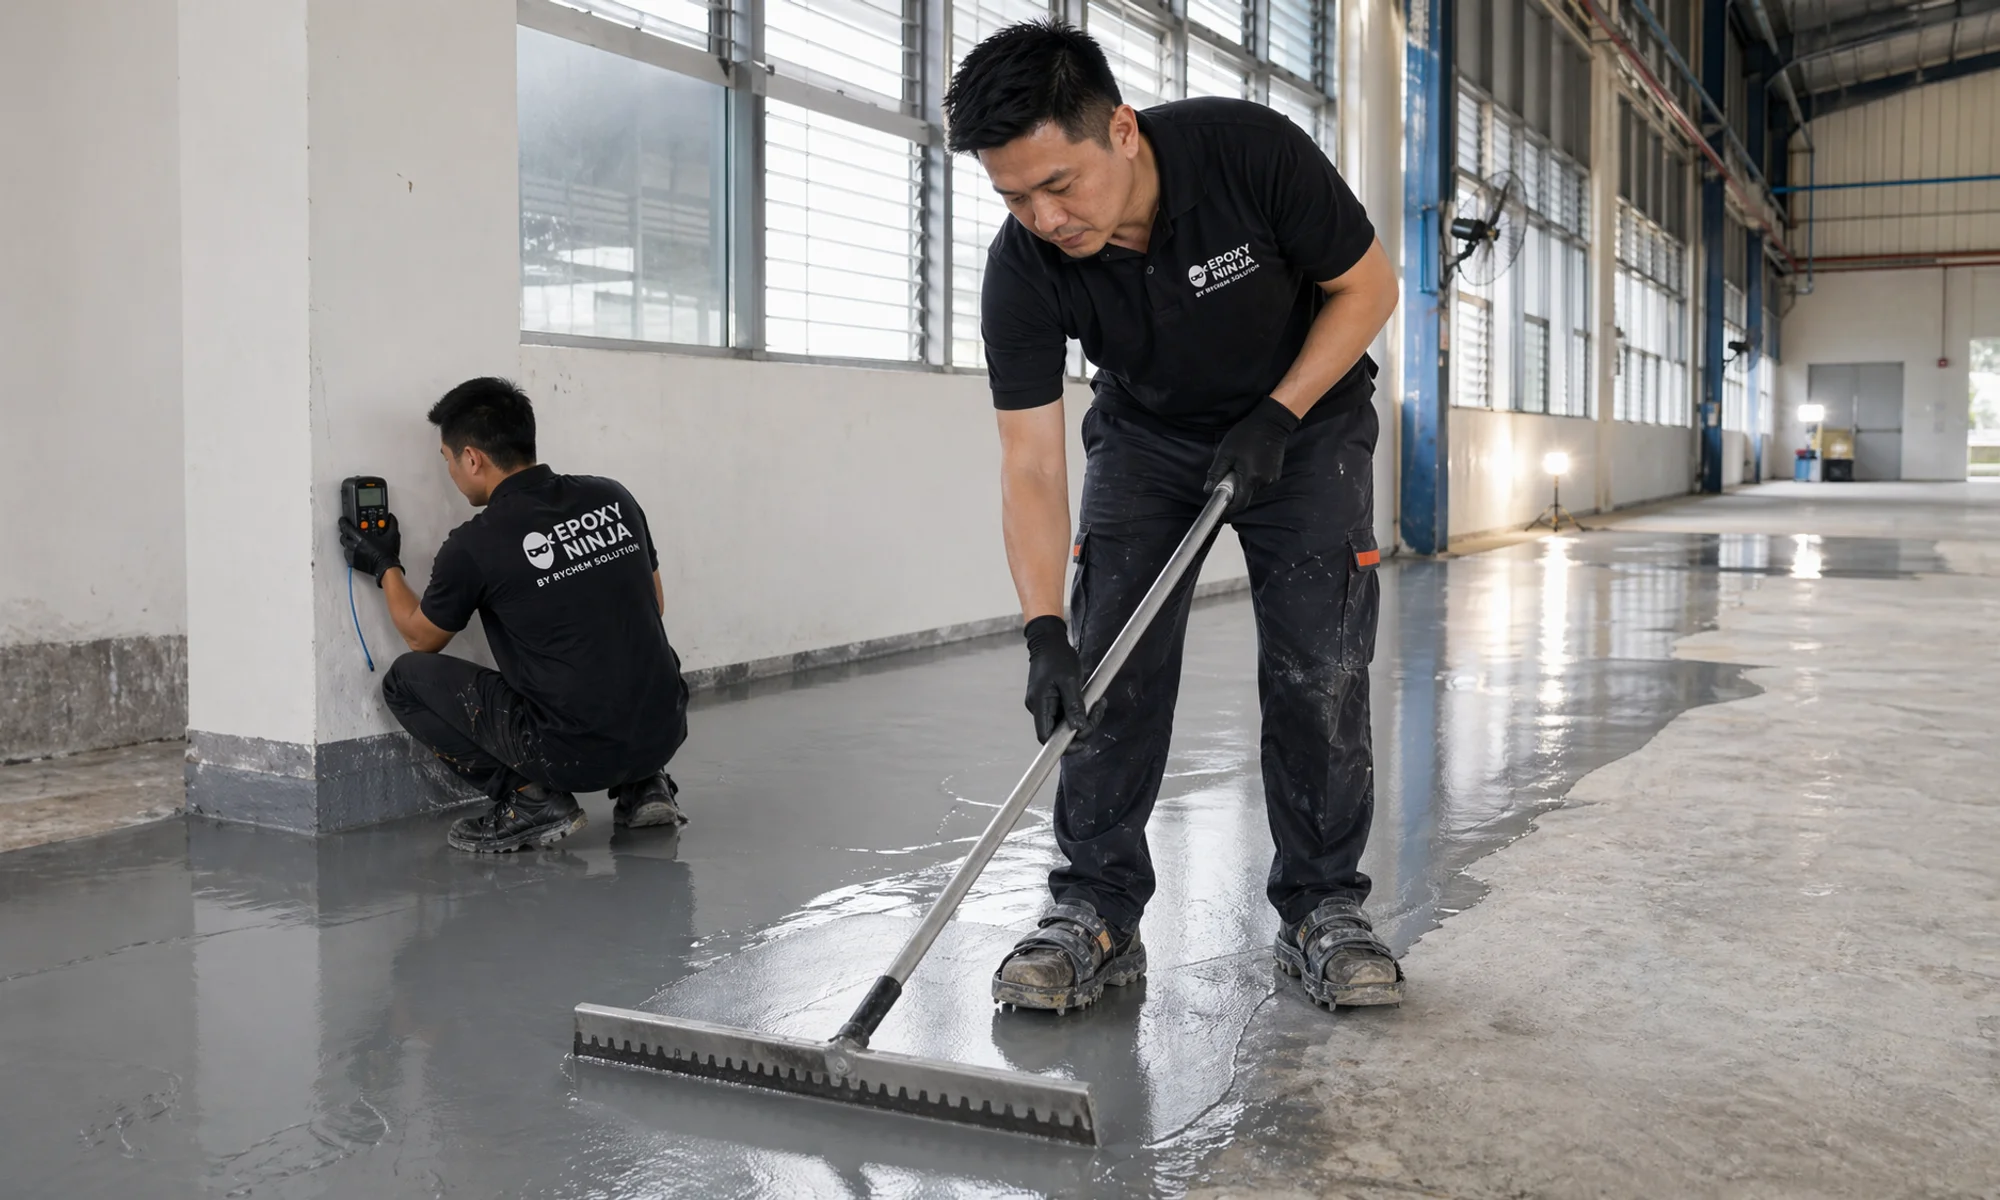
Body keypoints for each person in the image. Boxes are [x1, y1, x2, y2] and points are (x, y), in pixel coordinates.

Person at [943, 23, 1404, 1013]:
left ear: (1120, 130)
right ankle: (1094, 910)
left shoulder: (1248, 154)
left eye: (1058, 184)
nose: (1043, 217)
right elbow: (1030, 462)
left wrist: (1278, 413)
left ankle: (1322, 908)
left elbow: (1367, 286)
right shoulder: (1023, 268)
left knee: (1318, 670)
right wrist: (1043, 630)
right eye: (1014, 197)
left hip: (1306, 422)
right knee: (1106, 676)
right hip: (1148, 439)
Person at [339, 378, 690, 854]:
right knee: (625, 637)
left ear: (472, 458)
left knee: (405, 680)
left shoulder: (476, 543)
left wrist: (385, 565)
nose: (450, 472)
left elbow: (422, 638)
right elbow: (655, 604)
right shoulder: (613, 497)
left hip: (573, 755)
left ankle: (530, 802)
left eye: (447, 460)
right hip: (666, 731)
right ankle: (646, 783)